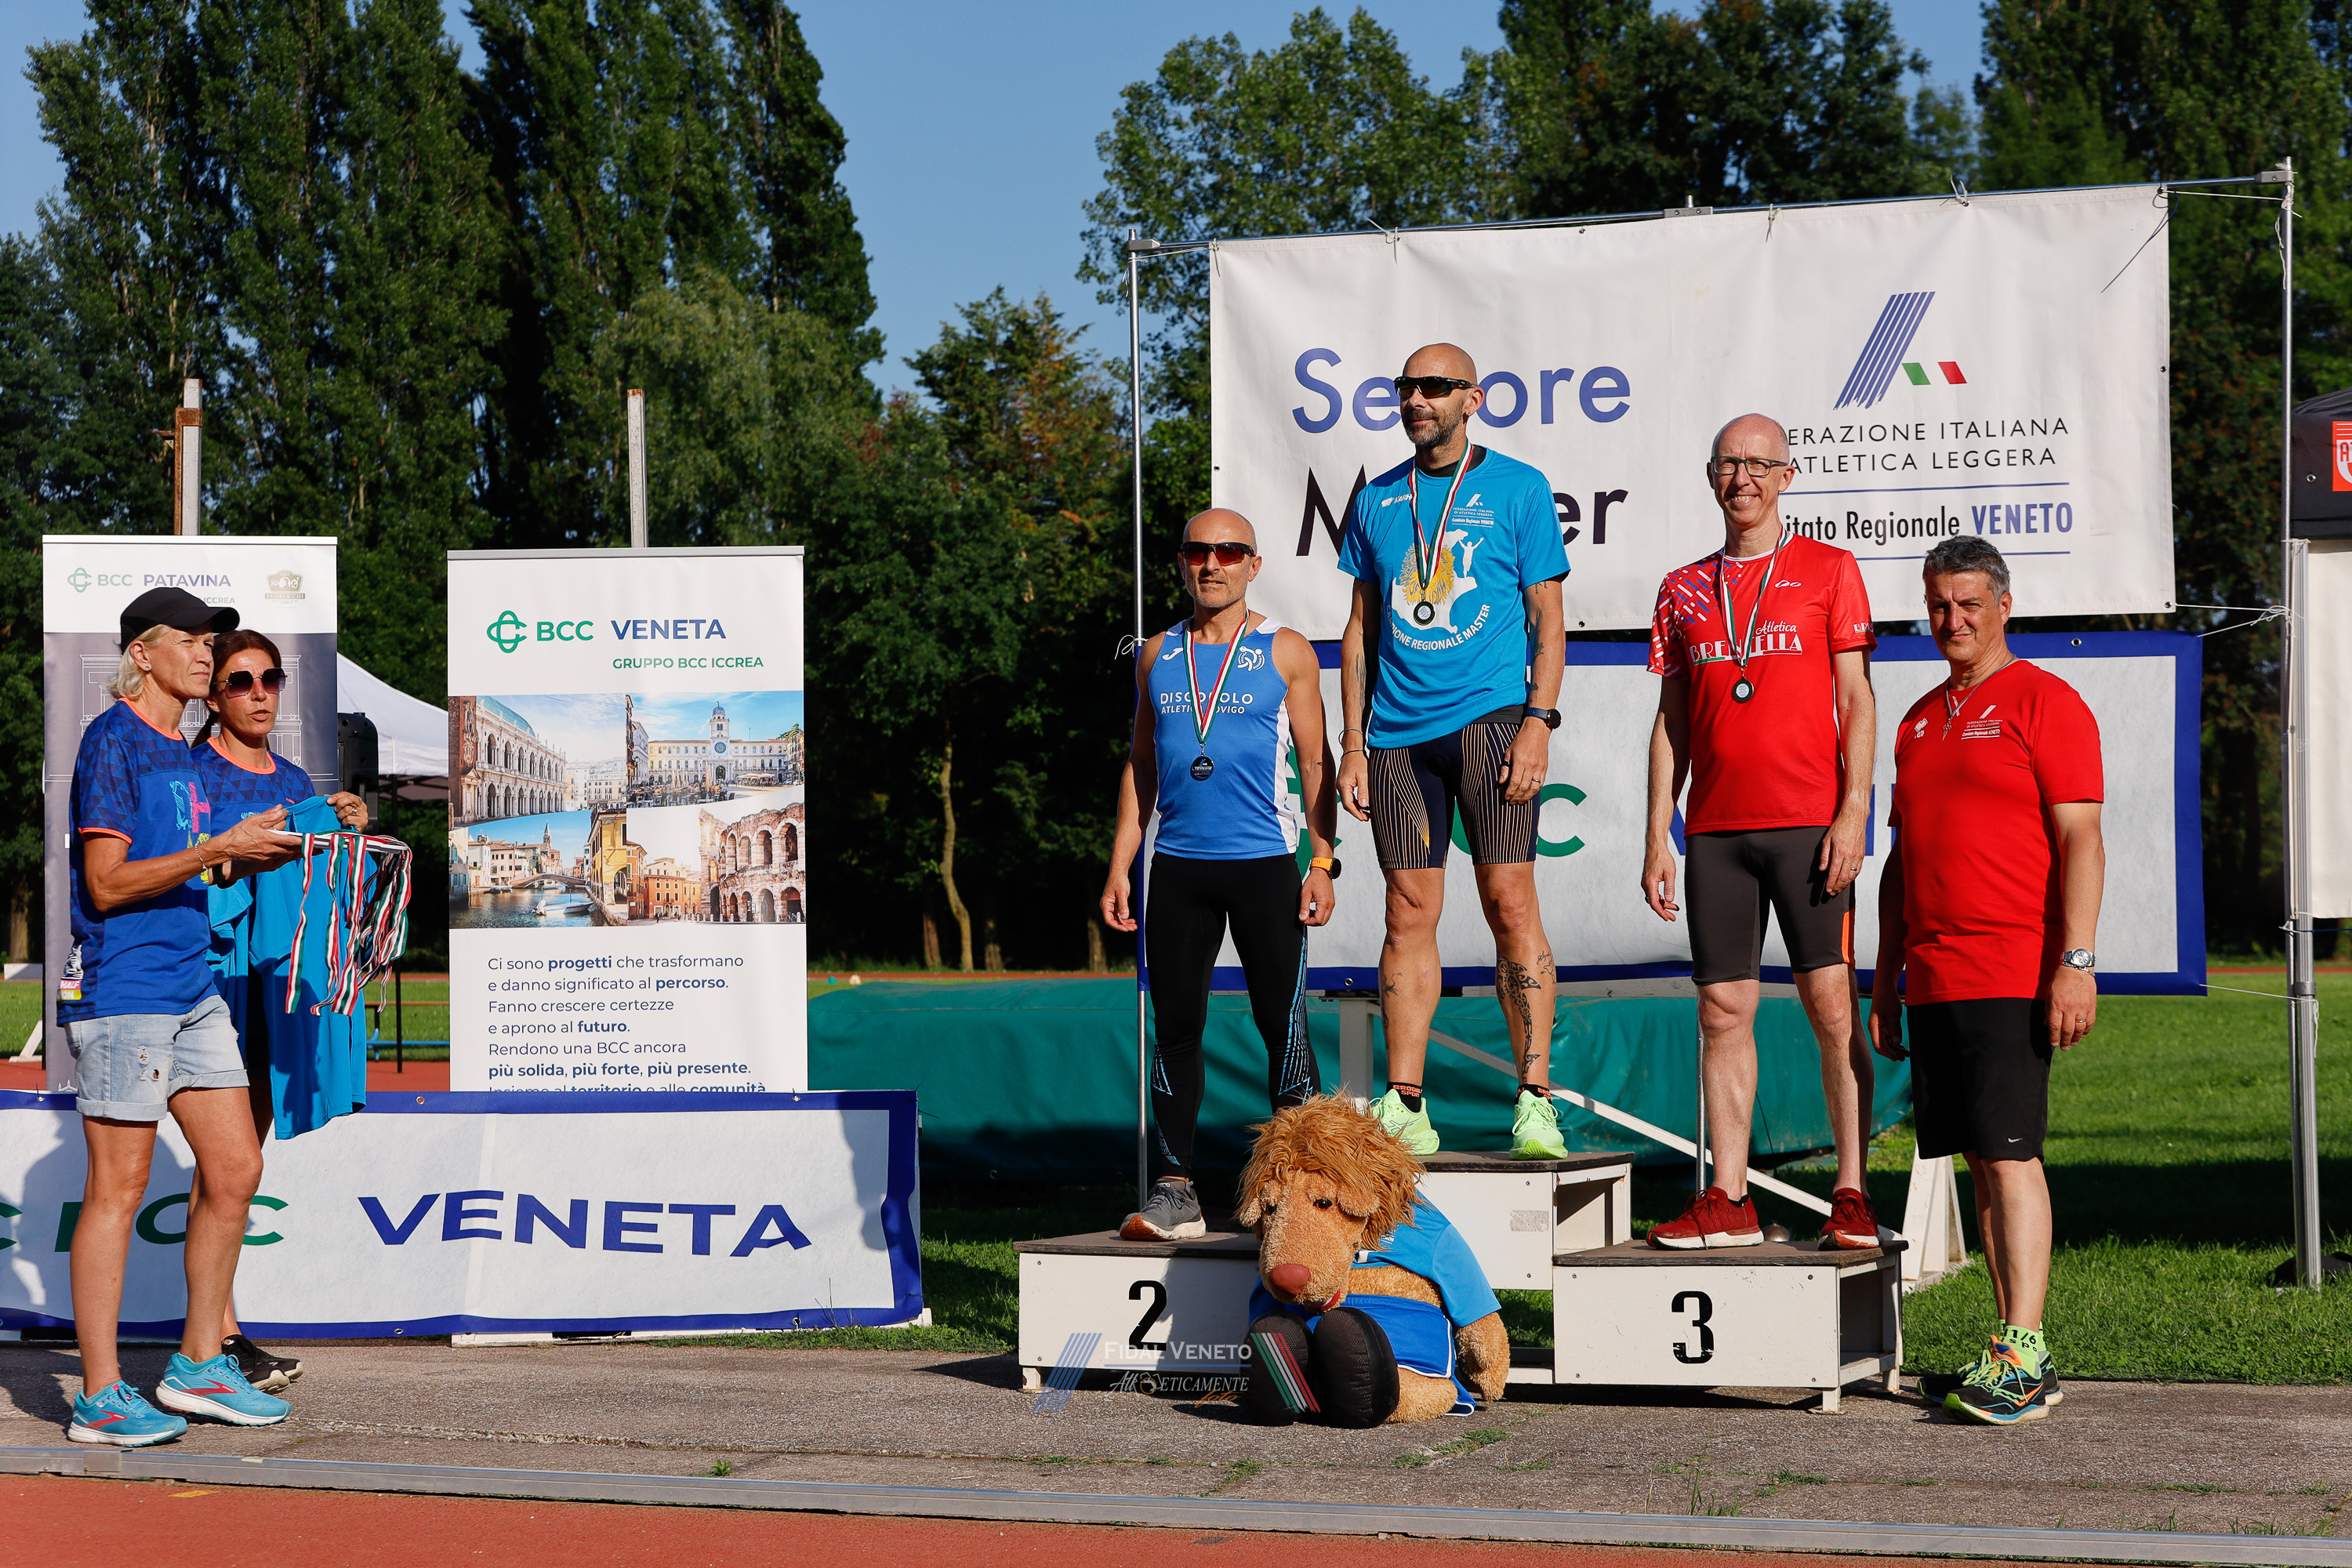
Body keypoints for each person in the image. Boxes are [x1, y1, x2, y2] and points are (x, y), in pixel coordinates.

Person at [60, 589, 305, 1446]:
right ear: (143, 654)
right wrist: (215, 848)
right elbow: (106, 884)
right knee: (118, 1190)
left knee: (235, 1168)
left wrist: (251, 852)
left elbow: (194, 870)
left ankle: (200, 1364)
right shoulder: (114, 739)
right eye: (192, 641)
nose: (208, 654)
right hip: (125, 989)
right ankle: (98, 1396)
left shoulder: (181, 750)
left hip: (191, 986)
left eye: (212, 642)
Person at [1871, 536, 2103, 1425]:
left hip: (2013, 966)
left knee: (2011, 1155)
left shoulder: (2047, 700)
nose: (1953, 620)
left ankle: (2027, 1352)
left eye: (1969, 603)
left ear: (2005, 605)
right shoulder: (1917, 719)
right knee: (1978, 1158)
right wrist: (1886, 973)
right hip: (1933, 974)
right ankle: (2010, 1349)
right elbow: (1902, 862)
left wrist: (2075, 961)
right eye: (1939, 604)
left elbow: (2082, 838)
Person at [1640, 413, 1882, 1250]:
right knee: (1721, 1010)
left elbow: (1855, 699)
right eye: (1727, 464)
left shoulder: (1829, 569)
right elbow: (1671, 720)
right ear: (1711, 476)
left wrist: (1854, 809)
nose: (1740, 478)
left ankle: (1851, 1192)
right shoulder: (1681, 587)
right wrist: (1658, 833)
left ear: (1786, 476)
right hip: (1716, 831)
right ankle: (1729, 1196)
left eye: (1756, 463)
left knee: (1831, 1004)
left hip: (1810, 824)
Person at [1334, 343, 1571, 1160]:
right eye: (1406, 387)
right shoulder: (1377, 498)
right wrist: (1353, 741)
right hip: (1398, 734)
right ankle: (1405, 1102)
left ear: (1472, 399)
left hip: (1492, 720)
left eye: (1434, 387)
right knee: (1406, 911)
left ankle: (1535, 1098)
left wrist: (1539, 721)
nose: (1416, 399)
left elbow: (1547, 616)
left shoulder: (1519, 487)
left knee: (1510, 902)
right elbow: (1359, 628)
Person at [1102, 509, 1340, 1239]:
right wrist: (1121, 864)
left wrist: (1322, 862)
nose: (1213, 564)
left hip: (1265, 866)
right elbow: (1142, 765)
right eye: (1199, 552)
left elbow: (1315, 763)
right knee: (1175, 1029)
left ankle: (1301, 1191)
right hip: (1178, 870)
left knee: (1282, 1029)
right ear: (1181, 563)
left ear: (1253, 565)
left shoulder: (1285, 650)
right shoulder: (1156, 654)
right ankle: (1176, 1191)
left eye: (1230, 551)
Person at [186, 628, 369, 1392]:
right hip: (215, 985)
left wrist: (343, 823)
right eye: (240, 681)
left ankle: (217, 1336)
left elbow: (323, 882)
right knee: (226, 1168)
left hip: (277, 987)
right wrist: (233, 857)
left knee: (234, 1169)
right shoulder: (192, 772)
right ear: (213, 695)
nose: (259, 693)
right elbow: (177, 876)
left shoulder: (293, 778)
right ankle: (217, 1338)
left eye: (270, 678)